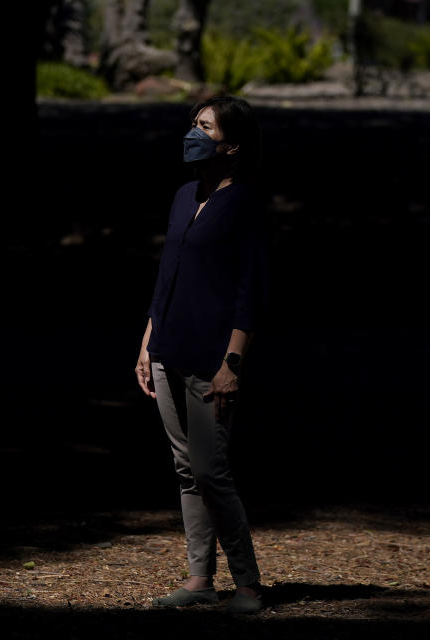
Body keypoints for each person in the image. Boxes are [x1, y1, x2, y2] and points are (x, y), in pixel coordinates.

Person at [135, 96, 270, 614]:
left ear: (231, 144)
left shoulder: (245, 204)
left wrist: (231, 364)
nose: (194, 132)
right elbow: (166, 277)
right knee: (185, 468)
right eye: (194, 123)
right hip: (168, 349)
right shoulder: (183, 196)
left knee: (212, 470)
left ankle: (248, 584)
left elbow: (250, 294)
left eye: (206, 126)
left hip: (212, 359)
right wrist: (148, 344)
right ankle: (199, 579)